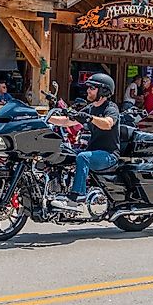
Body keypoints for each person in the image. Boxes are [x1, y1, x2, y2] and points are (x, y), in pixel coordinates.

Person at [48, 73, 120, 213]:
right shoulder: (90, 108)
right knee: (61, 151)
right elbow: (67, 121)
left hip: (109, 155)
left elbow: (108, 124)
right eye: (88, 88)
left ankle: (76, 198)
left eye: (92, 88)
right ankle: (56, 191)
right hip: (92, 151)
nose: (88, 90)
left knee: (83, 157)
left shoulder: (110, 108)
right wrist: (44, 118)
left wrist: (90, 118)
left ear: (103, 91)